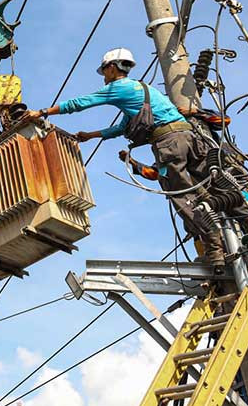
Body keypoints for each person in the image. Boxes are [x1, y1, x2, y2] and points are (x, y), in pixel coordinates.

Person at [24, 47, 227, 273]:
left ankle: (214, 248)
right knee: (215, 186)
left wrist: (42, 112)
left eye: (104, 72)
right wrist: (91, 135)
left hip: (169, 144)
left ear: (112, 68)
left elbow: (80, 103)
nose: (104, 76)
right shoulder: (142, 89)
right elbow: (123, 127)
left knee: (181, 195)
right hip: (190, 137)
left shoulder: (116, 88)